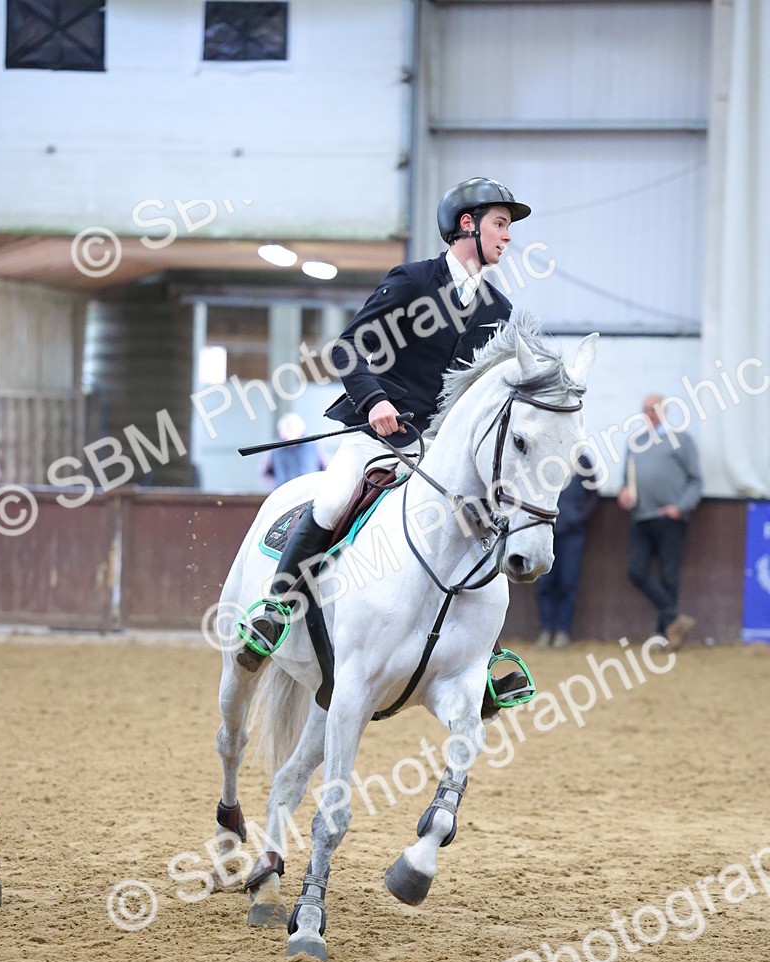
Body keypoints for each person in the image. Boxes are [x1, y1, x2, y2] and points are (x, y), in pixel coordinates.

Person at [237, 176, 532, 669]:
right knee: (334, 499)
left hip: (437, 449)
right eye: (500, 224)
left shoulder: (499, 310)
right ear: (468, 224)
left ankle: (480, 656)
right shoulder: (413, 282)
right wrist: (373, 400)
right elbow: (348, 348)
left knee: (478, 526)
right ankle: (276, 607)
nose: (508, 236)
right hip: (375, 435)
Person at [617, 394, 702, 650]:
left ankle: (664, 635)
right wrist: (624, 493)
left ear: (664, 411)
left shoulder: (682, 441)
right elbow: (626, 481)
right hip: (641, 517)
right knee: (636, 571)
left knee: (668, 576)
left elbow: (696, 480)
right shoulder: (635, 443)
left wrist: (680, 507)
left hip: (670, 519)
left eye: (654, 409)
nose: (650, 413)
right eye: (646, 410)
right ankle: (676, 619)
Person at [535, 453, 599, 648]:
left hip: (572, 535)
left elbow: (594, 494)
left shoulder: (583, 460)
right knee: (544, 584)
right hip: (546, 533)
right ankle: (546, 630)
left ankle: (563, 632)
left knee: (567, 583)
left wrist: (579, 518)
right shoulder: (544, 458)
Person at [259, 413, 325, 491]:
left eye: (293, 429)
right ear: (280, 431)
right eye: (287, 429)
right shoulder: (274, 449)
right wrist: (275, 488)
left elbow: (327, 469)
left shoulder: (313, 446)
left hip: (309, 493)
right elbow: (263, 474)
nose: (290, 432)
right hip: (284, 494)